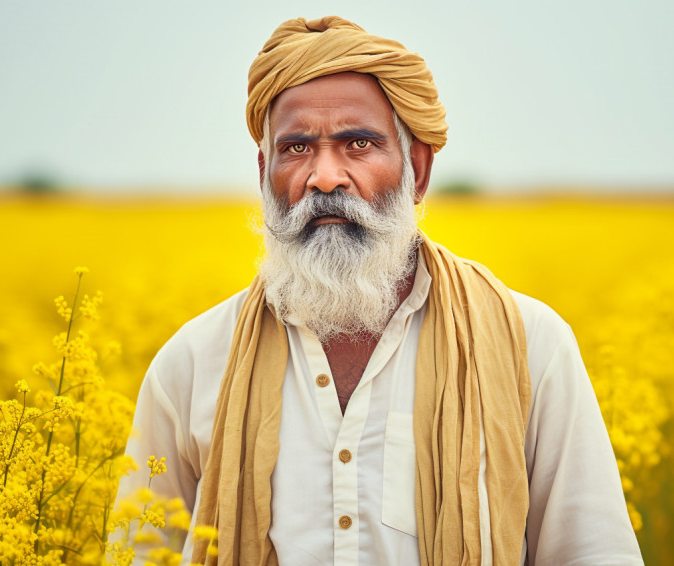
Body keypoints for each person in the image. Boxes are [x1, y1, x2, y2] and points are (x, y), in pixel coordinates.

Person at [114, 15, 644, 566]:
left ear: (416, 169)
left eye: (358, 144)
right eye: (296, 149)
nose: (324, 177)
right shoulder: (192, 365)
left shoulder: (531, 348)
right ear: (264, 172)